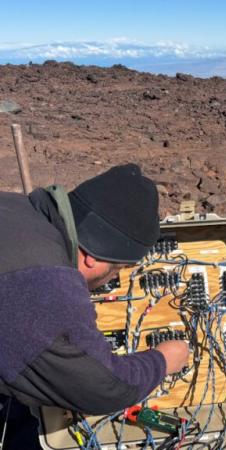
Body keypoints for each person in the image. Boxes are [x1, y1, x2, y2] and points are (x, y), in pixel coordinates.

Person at [0, 164, 189, 449]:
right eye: (118, 270)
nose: (117, 278)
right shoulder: (46, 287)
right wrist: (163, 360)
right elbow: (104, 387)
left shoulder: (16, 208)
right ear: (93, 258)